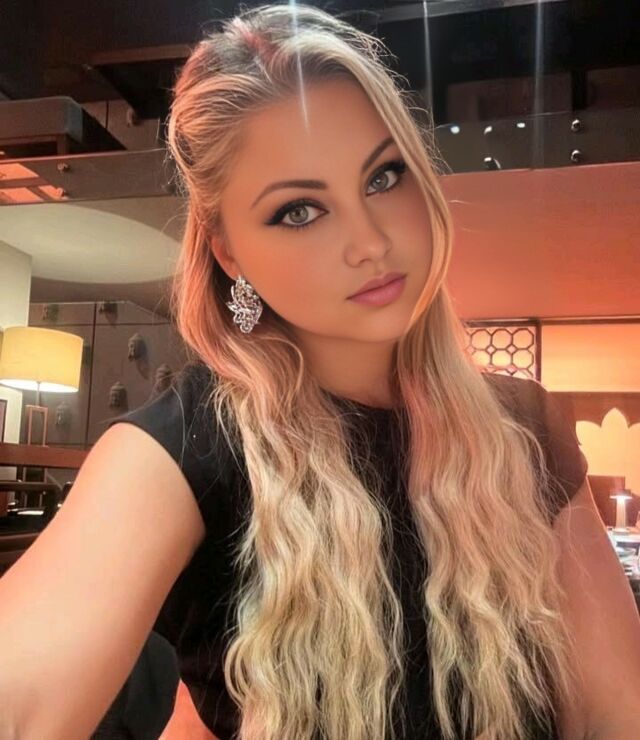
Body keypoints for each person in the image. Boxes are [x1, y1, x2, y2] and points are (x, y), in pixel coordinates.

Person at [1, 4, 639, 740]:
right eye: (299, 211)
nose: (369, 241)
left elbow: (615, 714)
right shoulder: (186, 450)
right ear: (229, 252)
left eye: (384, 175)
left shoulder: (526, 425)